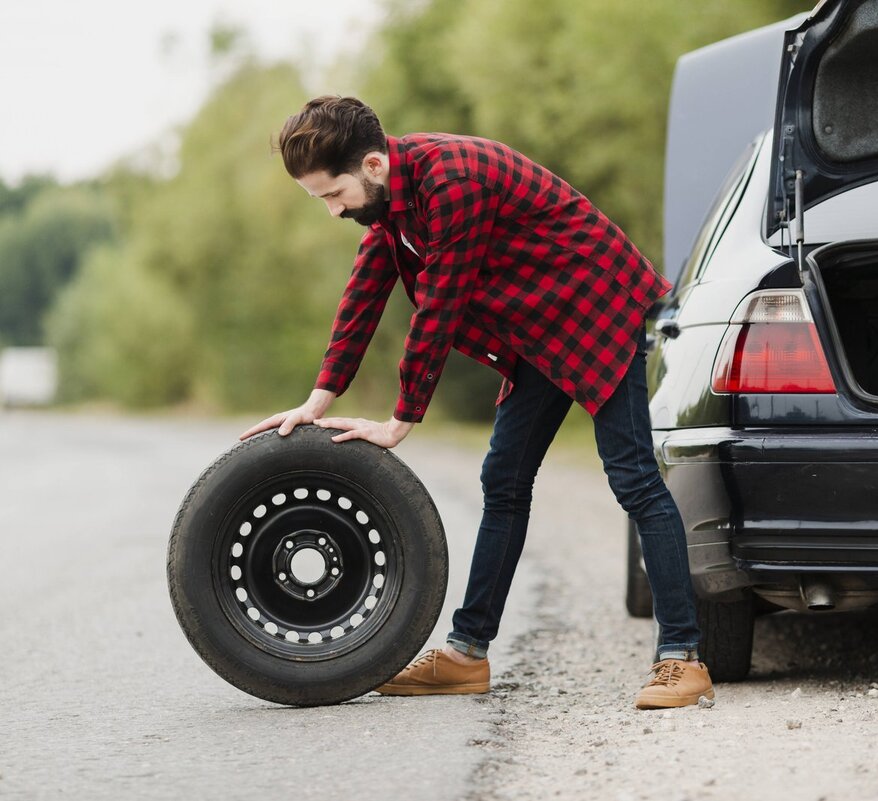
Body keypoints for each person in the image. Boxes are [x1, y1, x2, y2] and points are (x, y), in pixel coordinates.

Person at [240, 96, 712, 709]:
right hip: (540, 328)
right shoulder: (390, 205)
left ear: (374, 166)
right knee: (504, 480)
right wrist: (317, 399)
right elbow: (363, 296)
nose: (333, 211)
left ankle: (683, 658)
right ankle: (466, 656)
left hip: (597, 303)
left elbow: (441, 303)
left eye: (333, 195)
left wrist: (402, 418)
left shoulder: (452, 181)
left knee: (633, 479)